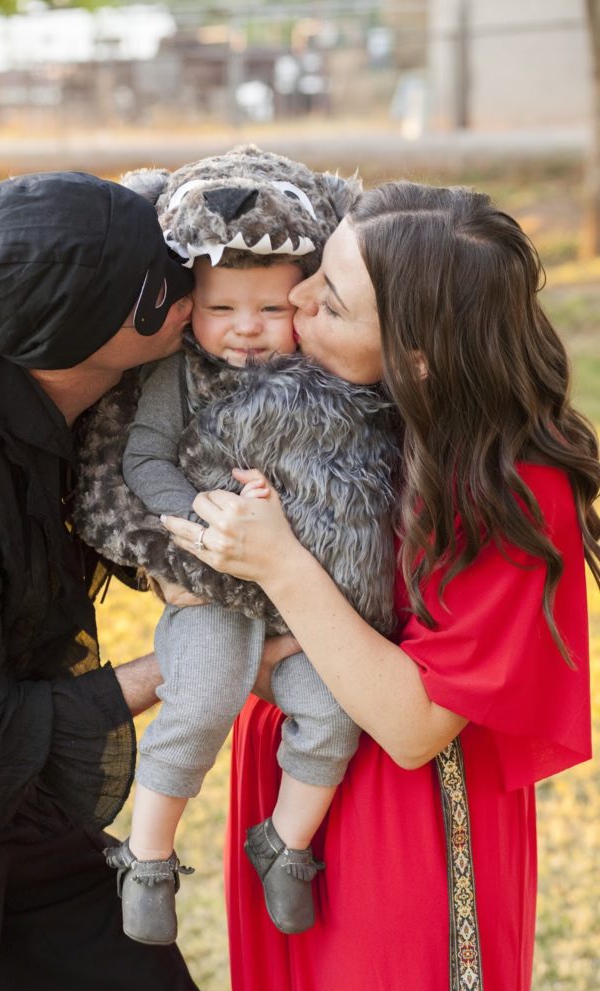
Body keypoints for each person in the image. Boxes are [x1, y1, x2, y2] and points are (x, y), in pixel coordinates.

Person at [161, 182, 600, 991]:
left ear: (417, 357)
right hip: (288, 773)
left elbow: (412, 724)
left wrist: (281, 569)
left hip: (408, 821)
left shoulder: (510, 485)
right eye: (316, 274)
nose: (293, 300)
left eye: (329, 301)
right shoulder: (321, 406)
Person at [0, 170, 220, 991]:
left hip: (15, 792)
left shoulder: (57, 373)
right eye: (162, 281)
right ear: (86, 333)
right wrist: (175, 664)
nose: (190, 285)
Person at [107, 252, 399, 945]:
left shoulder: (322, 377)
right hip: (211, 586)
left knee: (332, 709)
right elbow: (144, 458)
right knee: (203, 698)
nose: (246, 329)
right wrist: (207, 519)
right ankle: (146, 857)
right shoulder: (178, 375)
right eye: (222, 310)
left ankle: (284, 841)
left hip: (299, 589)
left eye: (270, 310)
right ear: (188, 313)